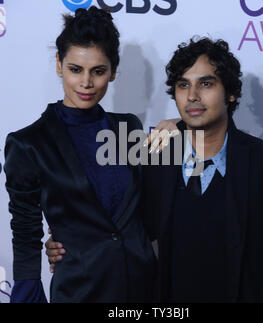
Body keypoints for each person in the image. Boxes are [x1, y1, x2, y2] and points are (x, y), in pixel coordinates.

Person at [48, 37, 263, 303]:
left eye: (206, 83)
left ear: (231, 93)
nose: (192, 95)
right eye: (183, 85)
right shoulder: (153, 161)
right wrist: (67, 242)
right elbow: (120, 232)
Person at [4, 6, 176, 303]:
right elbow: (26, 233)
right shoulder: (29, 143)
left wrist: (183, 124)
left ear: (112, 71)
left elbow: (148, 209)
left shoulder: (128, 127)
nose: (86, 83)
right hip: (80, 291)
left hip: (144, 287)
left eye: (98, 71)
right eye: (75, 69)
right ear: (59, 65)